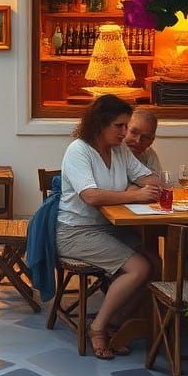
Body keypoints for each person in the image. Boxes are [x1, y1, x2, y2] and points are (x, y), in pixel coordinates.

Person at [56, 94, 163, 360]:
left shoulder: (119, 150)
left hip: (108, 228)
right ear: (99, 124)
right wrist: (135, 195)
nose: (125, 133)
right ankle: (98, 328)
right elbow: (90, 196)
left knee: (157, 264)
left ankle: (118, 323)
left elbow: (149, 177)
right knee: (140, 267)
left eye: (126, 126)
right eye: (120, 126)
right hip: (75, 231)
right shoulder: (78, 151)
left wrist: (149, 182)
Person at [124, 108, 162, 174]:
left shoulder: (149, 154)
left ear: (151, 140)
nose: (137, 141)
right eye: (134, 132)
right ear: (124, 129)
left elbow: (156, 181)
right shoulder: (112, 151)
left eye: (145, 137)